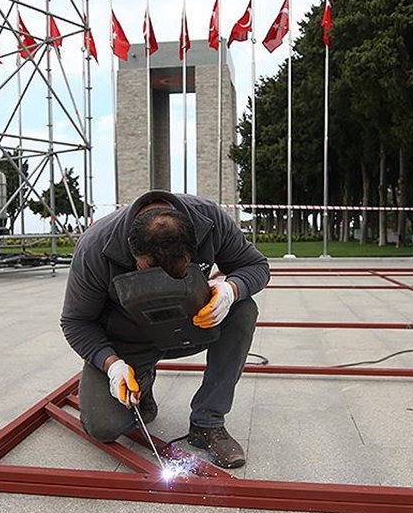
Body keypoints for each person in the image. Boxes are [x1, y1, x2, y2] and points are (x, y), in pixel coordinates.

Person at [61, 190, 270, 468]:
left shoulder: (210, 220)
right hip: (129, 341)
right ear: (132, 250)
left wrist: (232, 289)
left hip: (195, 324)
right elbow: (75, 322)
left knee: (244, 310)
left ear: (192, 248)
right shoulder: (96, 247)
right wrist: (112, 365)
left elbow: (256, 265)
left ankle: (207, 422)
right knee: (104, 427)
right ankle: (141, 378)